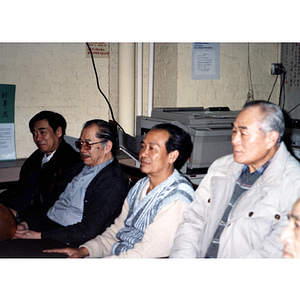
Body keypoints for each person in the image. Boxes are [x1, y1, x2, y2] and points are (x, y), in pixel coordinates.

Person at [170, 100, 300, 258]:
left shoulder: (294, 183)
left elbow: (273, 253)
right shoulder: (221, 167)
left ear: (271, 139)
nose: (234, 140)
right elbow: (193, 221)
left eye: (243, 134)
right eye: (234, 132)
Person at [44, 123, 195, 258]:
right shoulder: (141, 185)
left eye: (152, 148)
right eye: (143, 146)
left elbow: (147, 253)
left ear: (172, 156)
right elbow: (118, 230)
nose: (143, 154)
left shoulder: (177, 197)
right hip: (121, 255)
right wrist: (85, 250)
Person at [13, 119, 128, 247]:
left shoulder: (112, 181)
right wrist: (27, 223)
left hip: (69, 239)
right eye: (80, 144)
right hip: (48, 225)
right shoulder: (80, 167)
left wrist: (38, 236)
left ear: (107, 147)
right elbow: (53, 202)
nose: (82, 150)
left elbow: (88, 230)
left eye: (88, 144)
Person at [0, 110, 81, 221]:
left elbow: (54, 202)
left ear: (58, 132)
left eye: (43, 132)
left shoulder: (71, 162)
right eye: (34, 133)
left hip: (33, 218)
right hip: (14, 209)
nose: (37, 138)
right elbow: (20, 186)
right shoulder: (37, 156)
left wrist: (19, 215)